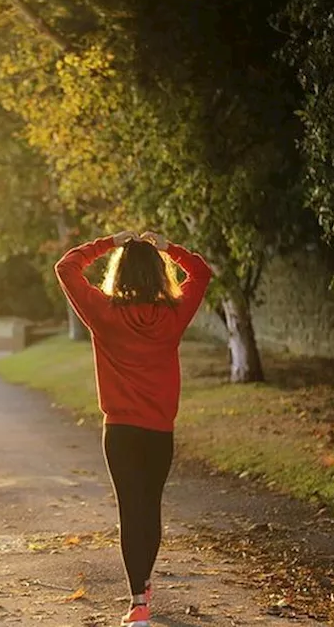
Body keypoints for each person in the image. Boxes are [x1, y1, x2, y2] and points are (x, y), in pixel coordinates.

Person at [54, 230, 213, 627]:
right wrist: (168, 248)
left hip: (120, 432)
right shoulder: (173, 315)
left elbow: (66, 267)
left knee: (131, 510)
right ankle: (144, 583)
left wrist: (110, 242)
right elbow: (202, 272)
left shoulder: (103, 313)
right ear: (159, 274)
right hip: (159, 431)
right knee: (150, 508)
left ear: (119, 274)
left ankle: (138, 601)